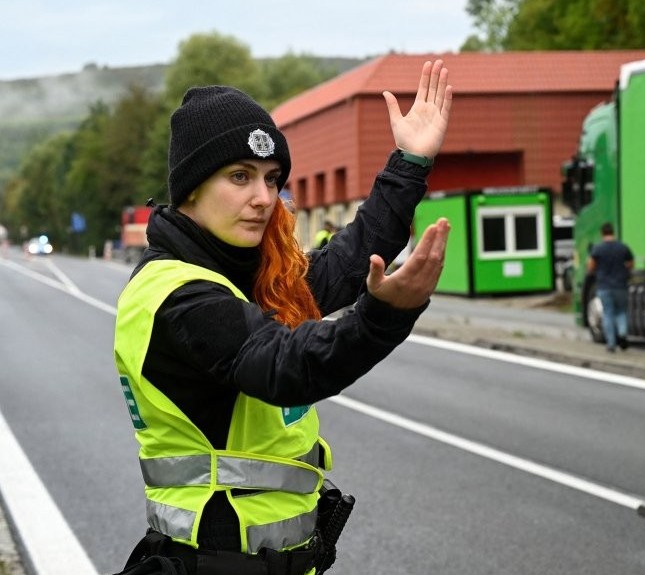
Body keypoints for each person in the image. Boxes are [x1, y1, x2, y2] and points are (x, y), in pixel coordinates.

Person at [113, 59, 452, 574]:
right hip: (212, 561)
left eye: (273, 180)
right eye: (240, 177)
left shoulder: (243, 281)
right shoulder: (176, 294)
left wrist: (409, 163)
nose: (263, 198)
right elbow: (288, 367)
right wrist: (383, 316)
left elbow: (348, 259)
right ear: (191, 189)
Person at [586, 222, 634, 352]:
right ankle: (623, 334)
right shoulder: (623, 247)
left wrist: (596, 272)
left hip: (604, 287)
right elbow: (630, 263)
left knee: (608, 313)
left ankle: (611, 343)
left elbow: (591, 266)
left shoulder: (598, 249)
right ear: (613, 232)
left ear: (602, 233)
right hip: (621, 285)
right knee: (621, 312)